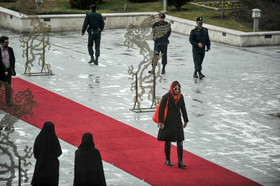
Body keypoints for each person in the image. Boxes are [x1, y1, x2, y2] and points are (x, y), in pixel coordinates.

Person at [157, 81, 189, 168]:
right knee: (168, 141)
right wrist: (160, 122)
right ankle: (167, 159)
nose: (177, 90)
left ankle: (180, 161)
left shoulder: (181, 97)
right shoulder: (166, 97)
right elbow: (161, 110)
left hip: (177, 122)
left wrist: (186, 120)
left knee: (180, 141)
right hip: (168, 122)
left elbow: (183, 109)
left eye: (179, 88)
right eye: (175, 89)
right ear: (172, 88)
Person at [31, 121, 62, 186]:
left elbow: (35, 153)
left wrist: (41, 158)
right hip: (52, 168)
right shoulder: (54, 139)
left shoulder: (39, 138)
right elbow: (59, 152)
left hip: (41, 166)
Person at [0, 36, 16, 106]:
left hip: (8, 70)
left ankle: (8, 101)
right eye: (5, 42)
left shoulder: (10, 49)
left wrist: (12, 67)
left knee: (8, 87)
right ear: (1, 43)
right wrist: (4, 70)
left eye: (8, 42)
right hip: (0, 71)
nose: (7, 44)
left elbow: (13, 58)